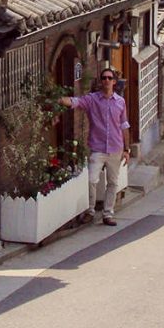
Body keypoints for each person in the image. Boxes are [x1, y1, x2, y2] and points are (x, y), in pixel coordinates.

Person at [59, 67, 131, 226]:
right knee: (92, 179)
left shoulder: (120, 102)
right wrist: (60, 99)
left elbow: (124, 125)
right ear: (100, 81)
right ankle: (90, 211)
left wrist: (127, 149)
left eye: (109, 78)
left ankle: (108, 214)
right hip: (97, 148)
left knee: (113, 182)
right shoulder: (92, 100)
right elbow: (76, 102)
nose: (106, 81)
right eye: (103, 78)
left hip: (115, 148)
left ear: (114, 82)